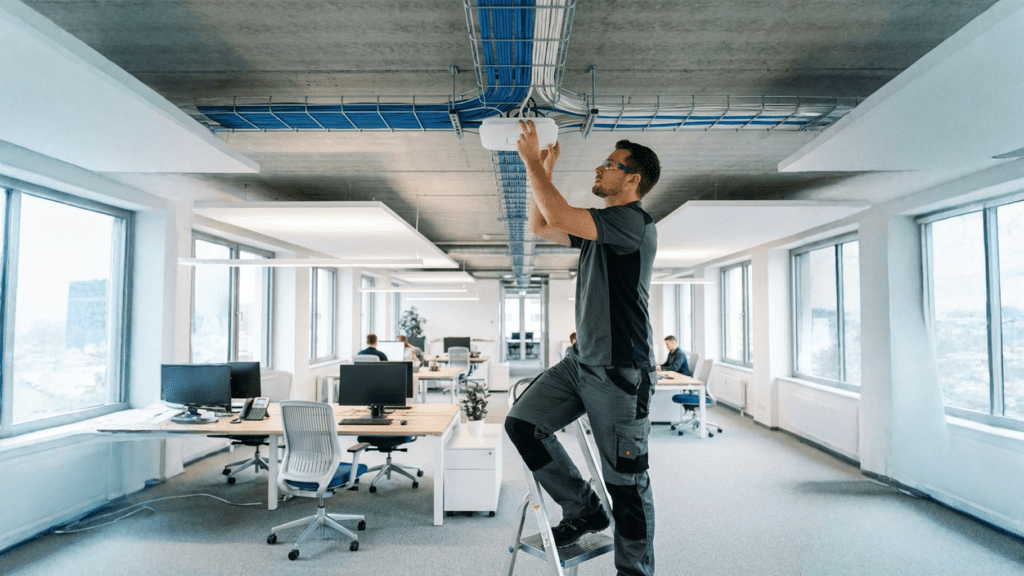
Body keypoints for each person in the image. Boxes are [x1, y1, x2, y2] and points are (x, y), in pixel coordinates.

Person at [504, 120, 660, 576]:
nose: (599, 167)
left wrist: (533, 162)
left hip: (620, 371)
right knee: (524, 425)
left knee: (627, 485)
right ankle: (585, 510)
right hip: (580, 363)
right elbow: (541, 224)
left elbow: (557, 214)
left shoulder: (631, 223)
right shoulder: (604, 228)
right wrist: (542, 174)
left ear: (631, 179)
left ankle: (634, 571)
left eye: (610, 164)